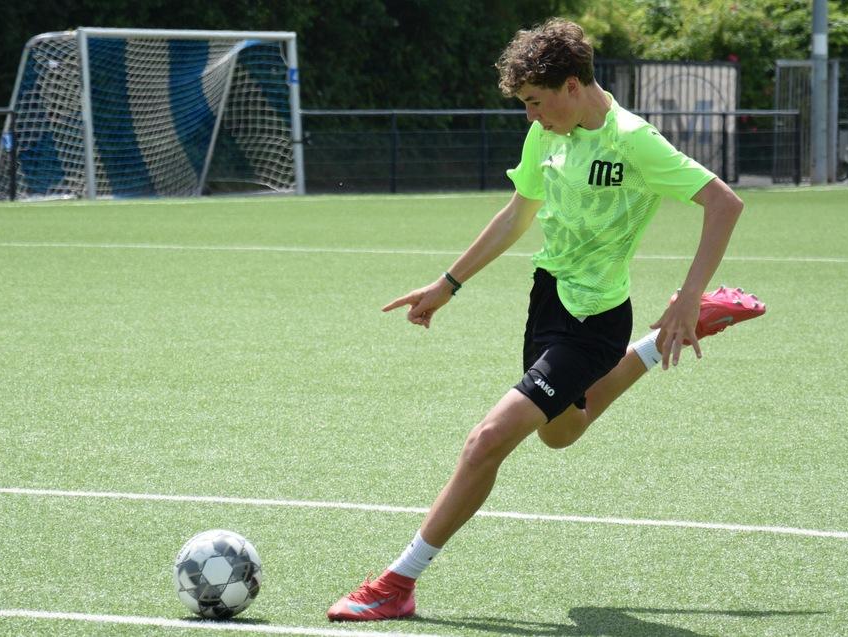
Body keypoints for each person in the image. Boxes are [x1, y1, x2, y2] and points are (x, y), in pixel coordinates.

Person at [327, 17, 765, 622]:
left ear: (571, 86)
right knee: (558, 433)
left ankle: (398, 582)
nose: (531, 116)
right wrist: (447, 284)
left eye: (536, 102)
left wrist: (687, 295)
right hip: (548, 302)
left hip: (595, 318)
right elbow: (517, 215)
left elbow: (724, 201)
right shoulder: (547, 135)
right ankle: (653, 347)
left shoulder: (631, 139)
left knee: (487, 441)